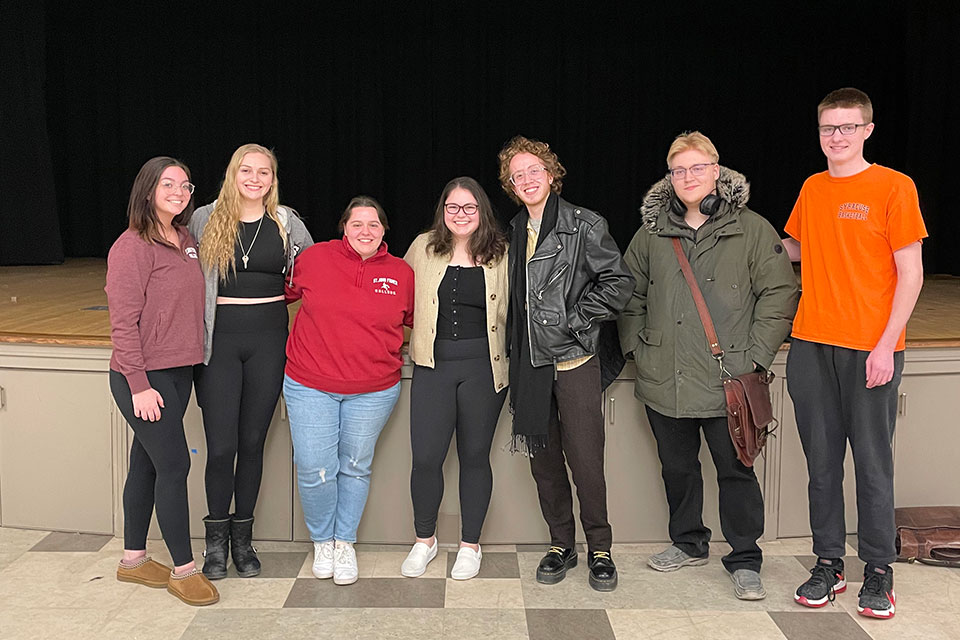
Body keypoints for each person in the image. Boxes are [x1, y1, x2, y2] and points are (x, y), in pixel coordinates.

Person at [618, 132, 798, 600]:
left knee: (736, 469)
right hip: (665, 376)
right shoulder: (652, 232)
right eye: (679, 170)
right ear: (669, 177)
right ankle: (689, 542)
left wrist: (755, 356)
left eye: (697, 168)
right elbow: (629, 292)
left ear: (716, 171)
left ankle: (744, 558)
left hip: (728, 379)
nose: (688, 177)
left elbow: (780, 294)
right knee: (677, 468)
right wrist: (637, 347)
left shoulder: (752, 229)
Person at [783, 88, 926, 619]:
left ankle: (878, 571)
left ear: (867, 130)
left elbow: (911, 272)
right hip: (811, 343)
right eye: (827, 128)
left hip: (871, 348)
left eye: (846, 127)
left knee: (872, 464)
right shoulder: (813, 187)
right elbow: (793, 247)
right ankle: (828, 564)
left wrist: (886, 344)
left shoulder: (894, 186)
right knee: (821, 464)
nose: (836, 137)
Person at [498, 135, 634, 592]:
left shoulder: (584, 224)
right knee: (545, 464)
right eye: (518, 175)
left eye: (535, 170)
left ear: (551, 175)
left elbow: (618, 283)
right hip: (530, 366)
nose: (528, 180)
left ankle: (600, 549)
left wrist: (576, 321)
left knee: (586, 462)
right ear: (511, 185)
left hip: (575, 361)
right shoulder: (514, 229)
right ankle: (561, 544)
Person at [189, 144, 313, 580]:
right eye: (247, 170)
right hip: (219, 342)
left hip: (268, 342)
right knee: (221, 447)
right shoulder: (205, 219)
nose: (255, 178)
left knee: (253, 444)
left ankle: (243, 541)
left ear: (273, 179)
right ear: (232, 174)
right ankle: (215, 545)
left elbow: (313, 270)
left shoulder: (286, 222)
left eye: (264, 172)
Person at [284, 196, 414, 585]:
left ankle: (344, 543)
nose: (365, 231)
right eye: (357, 224)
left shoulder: (402, 273)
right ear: (343, 227)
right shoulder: (315, 259)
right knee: (314, 469)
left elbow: (414, 320)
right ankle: (322, 541)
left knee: (355, 467)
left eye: (373, 225)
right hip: (310, 384)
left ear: (384, 230)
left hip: (374, 390)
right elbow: (279, 294)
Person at [106, 156, 218, 606]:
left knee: (147, 464)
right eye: (168, 183)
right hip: (144, 376)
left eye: (186, 185)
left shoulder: (185, 239)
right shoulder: (131, 246)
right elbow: (122, 323)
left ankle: (133, 560)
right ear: (147, 189)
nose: (179, 191)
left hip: (178, 371)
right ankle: (184, 570)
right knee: (175, 466)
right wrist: (138, 384)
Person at [400, 177, 509, 580]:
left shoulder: (503, 254)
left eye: (468, 208)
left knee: (475, 457)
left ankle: (469, 546)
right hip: (432, 365)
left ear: (482, 212)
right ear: (442, 212)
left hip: (484, 367)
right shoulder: (423, 247)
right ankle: (424, 541)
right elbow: (396, 296)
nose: (460, 215)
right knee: (426, 458)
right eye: (452, 208)